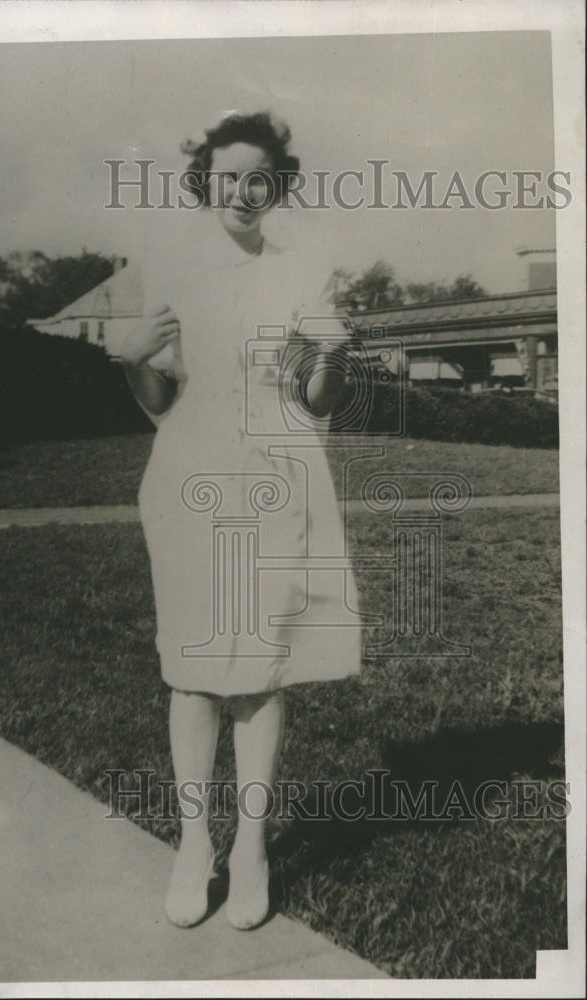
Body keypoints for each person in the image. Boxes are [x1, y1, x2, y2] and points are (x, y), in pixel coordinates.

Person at [119, 111, 361, 930]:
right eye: (227, 176)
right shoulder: (173, 264)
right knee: (192, 667)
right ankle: (195, 845)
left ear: (277, 183)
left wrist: (331, 355)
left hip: (278, 468)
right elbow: (159, 398)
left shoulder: (302, 271)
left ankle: (250, 847)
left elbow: (317, 400)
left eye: (259, 176)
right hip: (188, 468)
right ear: (205, 181)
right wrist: (129, 360)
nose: (243, 190)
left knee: (260, 670)